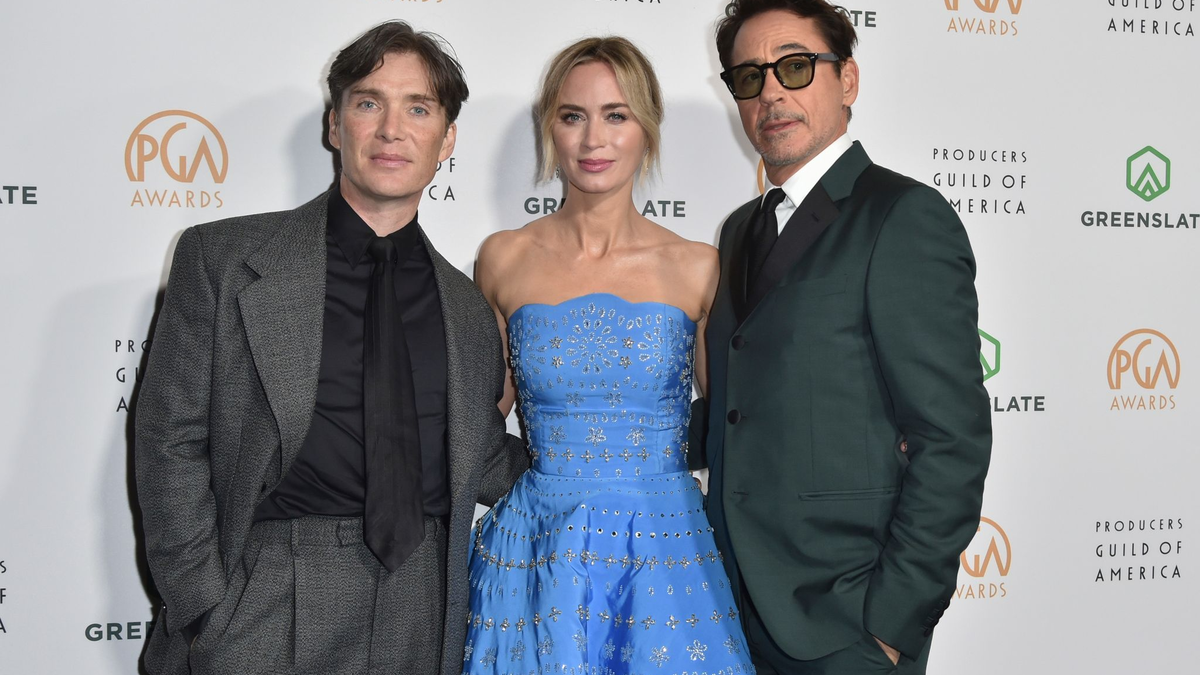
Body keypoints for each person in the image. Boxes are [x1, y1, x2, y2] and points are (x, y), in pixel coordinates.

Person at [134, 21, 527, 675]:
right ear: (334, 125)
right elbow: (169, 441)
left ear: (446, 139)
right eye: (369, 102)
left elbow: (483, 458)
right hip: (264, 598)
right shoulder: (223, 259)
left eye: (419, 108)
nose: (391, 128)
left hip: (421, 605)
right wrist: (205, 605)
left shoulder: (467, 309)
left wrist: (625, 456)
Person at [693, 1, 993, 673]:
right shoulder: (740, 228)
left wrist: (889, 626)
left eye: (795, 67)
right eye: (748, 77)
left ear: (847, 80)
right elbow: (744, 409)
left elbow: (952, 437)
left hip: (844, 625)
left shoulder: (903, 216)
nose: (771, 91)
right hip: (730, 611)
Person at [463, 37, 754, 674]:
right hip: (539, 548)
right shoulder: (503, 259)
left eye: (616, 115)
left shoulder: (697, 267)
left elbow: (736, 422)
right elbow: (480, 415)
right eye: (574, 116)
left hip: (663, 547)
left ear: (646, 130)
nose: (594, 139)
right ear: (551, 130)